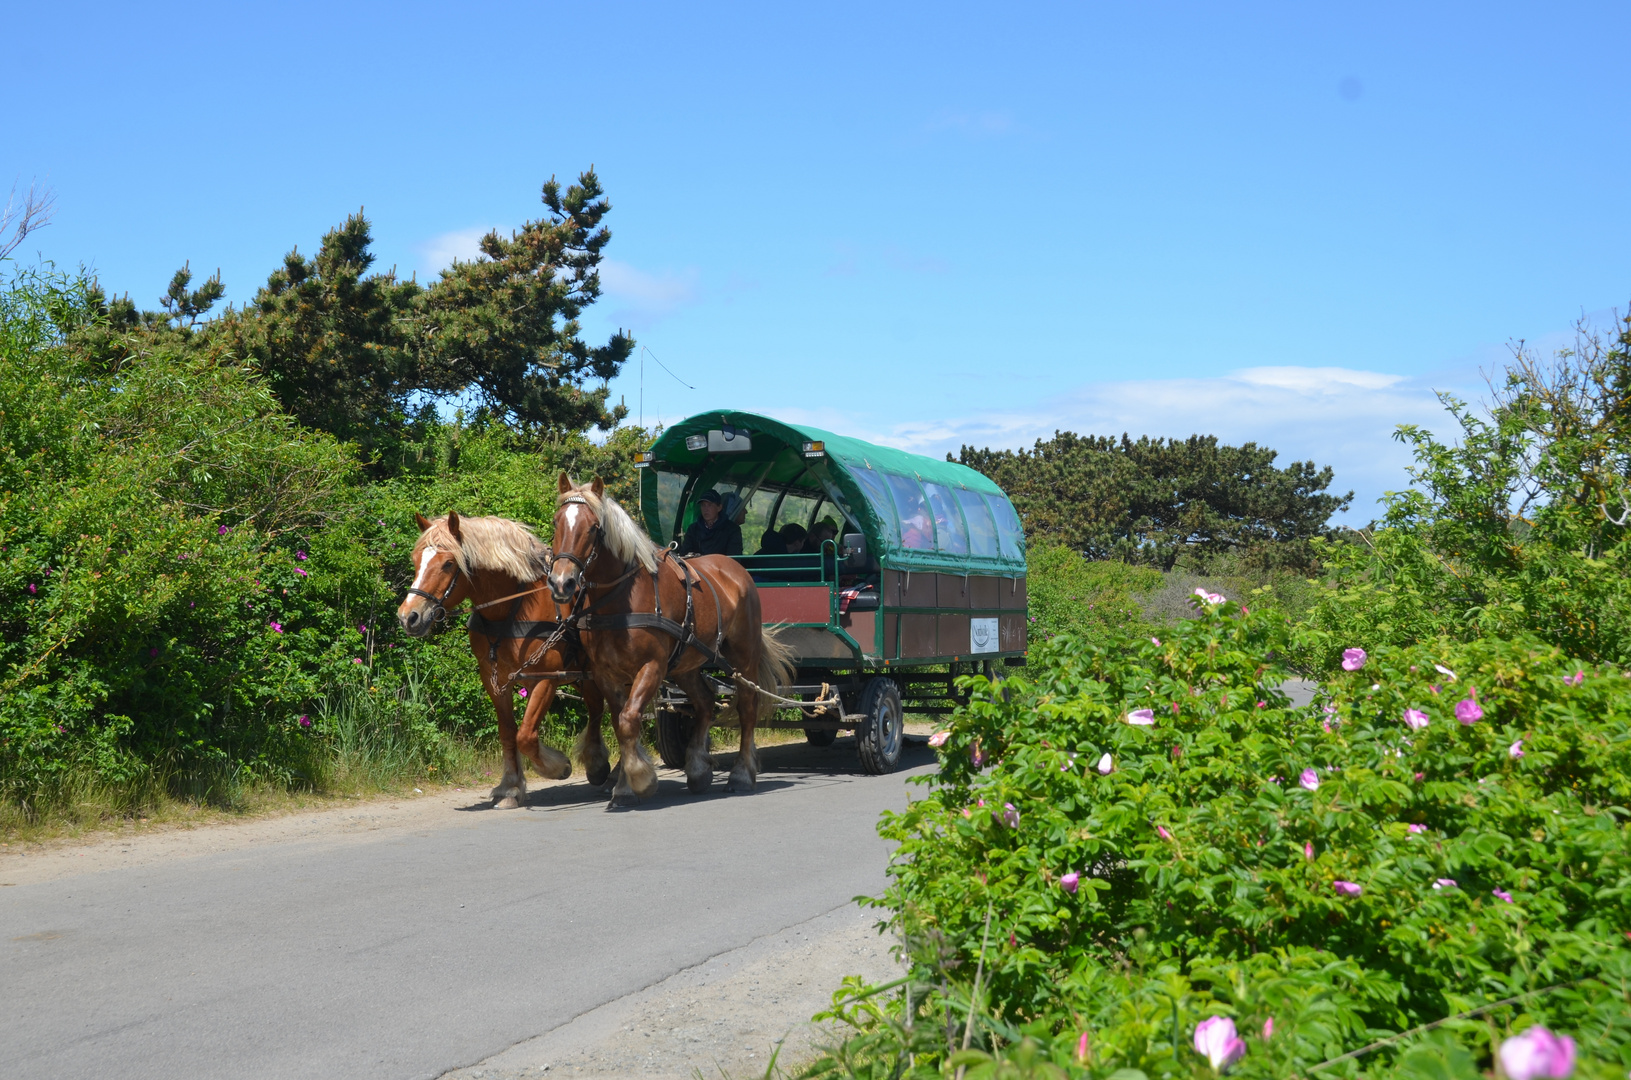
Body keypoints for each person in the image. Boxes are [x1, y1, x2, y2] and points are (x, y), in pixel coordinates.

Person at [682, 489, 743, 556]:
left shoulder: (732, 530)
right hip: (696, 566)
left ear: (719, 507)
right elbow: (685, 554)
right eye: (703, 505)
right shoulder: (693, 529)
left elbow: (734, 558)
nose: (706, 509)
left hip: (721, 566)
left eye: (709, 505)